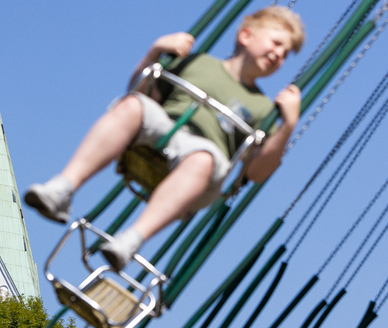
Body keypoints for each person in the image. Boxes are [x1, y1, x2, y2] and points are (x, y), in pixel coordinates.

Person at [25, 6, 305, 271]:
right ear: (246, 35)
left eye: (286, 53)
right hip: (162, 130)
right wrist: (156, 51)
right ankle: (63, 187)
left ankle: (132, 239)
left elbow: (256, 172)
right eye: (277, 43)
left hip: (201, 158)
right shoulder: (200, 62)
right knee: (132, 105)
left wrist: (288, 124)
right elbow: (142, 91)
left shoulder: (263, 108)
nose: (280, 55)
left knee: (203, 158)